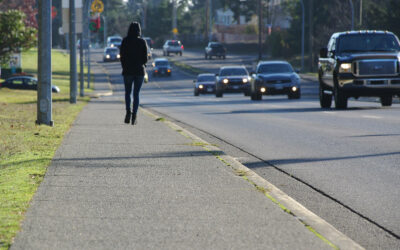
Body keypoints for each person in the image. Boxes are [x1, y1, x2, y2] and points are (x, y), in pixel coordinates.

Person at [120, 22, 148, 125]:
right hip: (139, 71)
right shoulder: (142, 42)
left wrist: (125, 66)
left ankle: (128, 111)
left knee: (128, 92)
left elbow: (122, 56)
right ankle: (134, 116)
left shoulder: (125, 41)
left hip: (127, 71)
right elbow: (145, 58)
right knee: (136, 94)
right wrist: (142, 64)